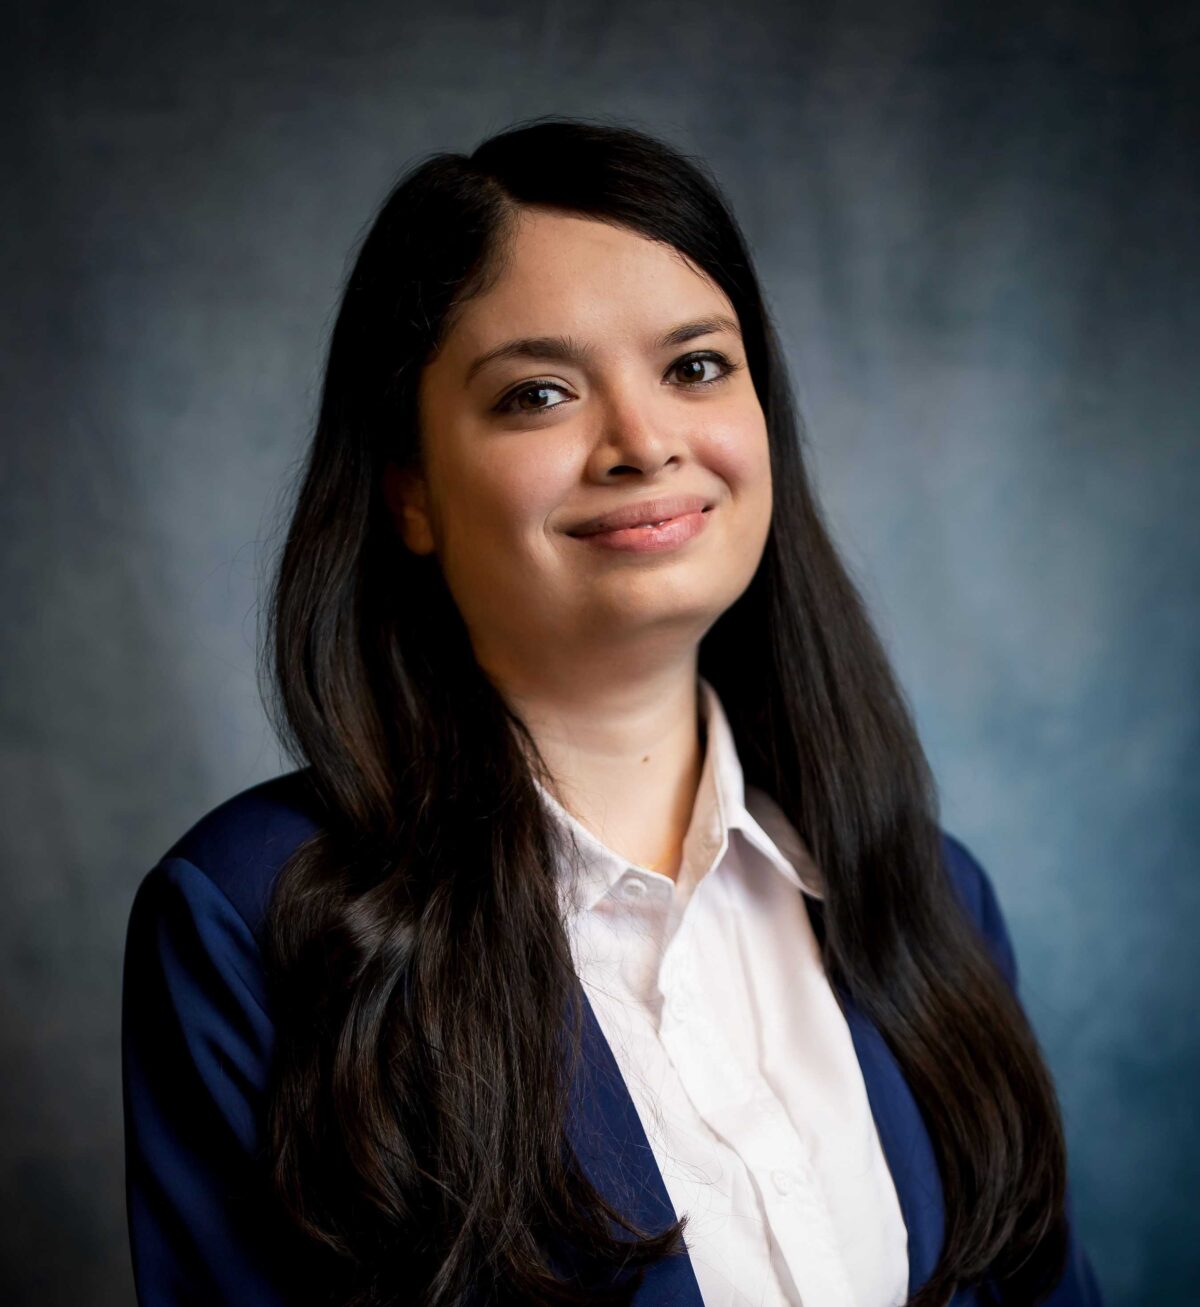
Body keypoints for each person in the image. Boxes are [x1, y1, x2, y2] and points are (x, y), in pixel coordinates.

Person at [121, 116, 1104, 1307]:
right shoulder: (252, 922)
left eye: (695, 366)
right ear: (411, 491)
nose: (644, 443)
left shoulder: (931, 895)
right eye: (539, 393)